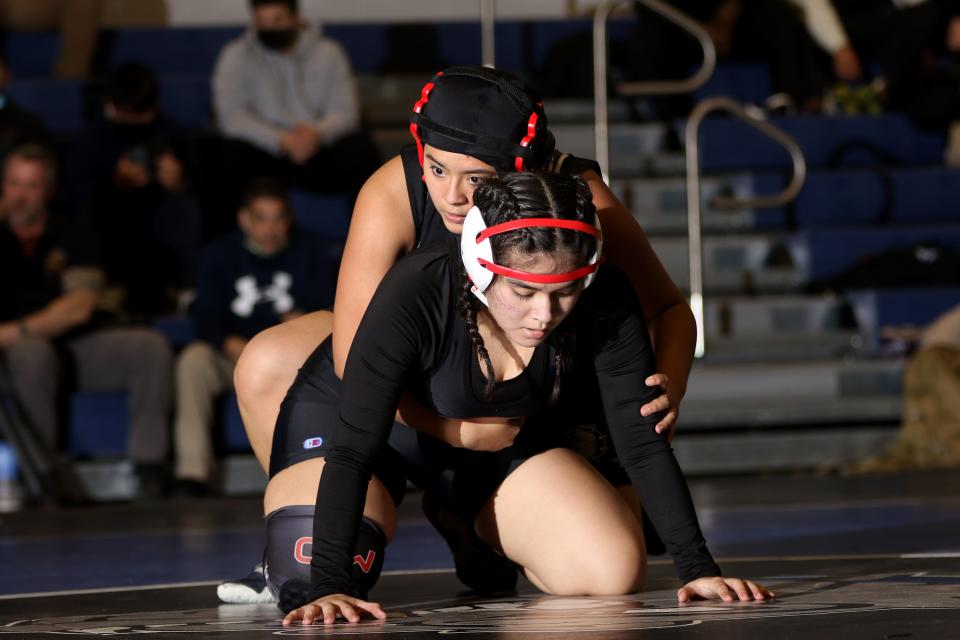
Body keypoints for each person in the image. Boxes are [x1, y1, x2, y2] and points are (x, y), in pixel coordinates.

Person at [221, 66, 693, 603]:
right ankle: (291, 531)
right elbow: (357, 363)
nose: (451, 196)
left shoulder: (575, 207)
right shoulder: (394, 189)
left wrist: (663, 394)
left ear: (524, 172)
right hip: (404, 401)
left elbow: (670, 310)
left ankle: (467, 515)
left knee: (610, 571)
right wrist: (450, 432)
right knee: (269, 370)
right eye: (438, 169)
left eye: (476, 179)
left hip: (516, 415)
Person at [274, 171, 772, 625]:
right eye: (524, 291)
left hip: (493, 445)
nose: (544, 314)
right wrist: (329, 585)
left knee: (612, 572)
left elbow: (640, 440)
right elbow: (354, 446)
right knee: (305, 574)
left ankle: (461, 515)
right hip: (387, 435)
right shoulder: (416, 293)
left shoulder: (604, 297)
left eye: (565, 292)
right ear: (480, 266)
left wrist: (697, 569)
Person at [0, 144, 173, 498]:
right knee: (32, 353)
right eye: (15, 184)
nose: (21, 195)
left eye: (31, 186)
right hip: (18, 354)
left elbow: (77, 306)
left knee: (149, 346)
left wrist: (15, 331)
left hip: (68, 342)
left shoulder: (72, 232)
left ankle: (149, 468)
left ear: (47, 189)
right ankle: (43, 479)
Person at [172, 179, 334, 496]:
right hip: (234, 350)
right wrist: (232, 345)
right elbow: (204, 314)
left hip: (294, 357)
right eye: (262, 218)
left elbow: (329, 306)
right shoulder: (220, 255)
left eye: (278, 218)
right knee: (193, 361)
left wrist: (295, 329)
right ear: (244, 219)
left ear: (289, 220)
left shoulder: (312, 252)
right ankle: (192, 473)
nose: (271, 229)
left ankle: (307, 471)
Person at [65, 62, 204, 319]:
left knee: (182, 208)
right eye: (128, 118)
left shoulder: (175, 135)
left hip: (163, 238)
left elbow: (207, 189)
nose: (135, 126)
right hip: (113, 235)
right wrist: (114, 183)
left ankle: (186, 290)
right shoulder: (92, 141)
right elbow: (76, 198)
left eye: (142, 118)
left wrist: (179, 182)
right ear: (112, 107)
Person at [211, 0, 380, 205]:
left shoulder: (329, 53)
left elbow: (346, 112)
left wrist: (317, 134)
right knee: (224, 154)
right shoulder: (235, 55)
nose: (269, 28)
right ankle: (238, 234)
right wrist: (281, 140)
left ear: (295, 18)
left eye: (277, 19)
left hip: (318, 147)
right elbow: (231, 117)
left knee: (362, 152)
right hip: (266, 152)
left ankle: (365, 233)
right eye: (261, 21)